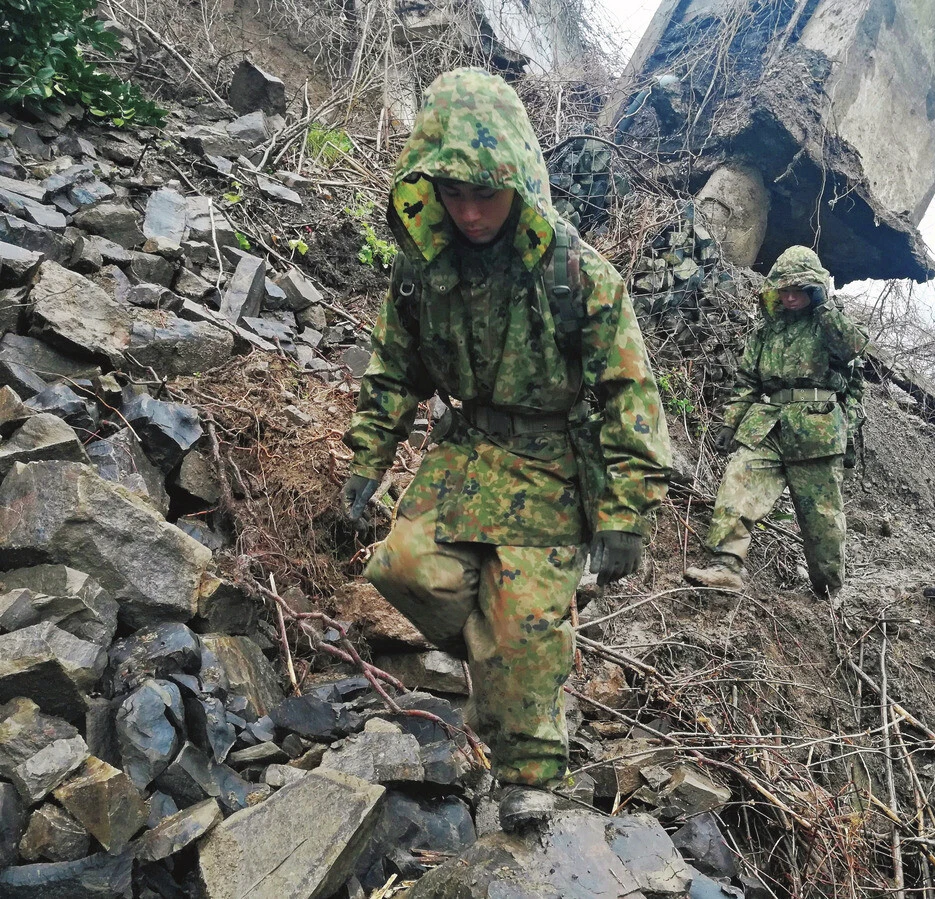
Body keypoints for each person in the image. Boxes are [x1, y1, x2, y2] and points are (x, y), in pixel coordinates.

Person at [340, 68, 671, 830]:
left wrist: (626, 513)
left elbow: (629, 393)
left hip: (553, 466)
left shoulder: (576, 273)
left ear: (520, 183)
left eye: (485, 195)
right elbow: (394, 368)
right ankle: (509, 665)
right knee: (402, 569)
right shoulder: (423, 267)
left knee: (520, 620)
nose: (469, 211)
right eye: (452, 194)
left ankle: (529, 772)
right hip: (465, 456)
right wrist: (368, 458)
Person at [683, 246, 868, 598]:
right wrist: (730, 422)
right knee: (738, 482)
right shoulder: (766, 333)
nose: (789, 296)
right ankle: (726, 565)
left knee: (821, 519)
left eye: (799, 289)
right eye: (783, 289)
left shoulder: (830, 325)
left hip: (817, 427)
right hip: (766, 424)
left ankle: (828, 589)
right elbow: (748, 381)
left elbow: (853, 349)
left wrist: (825, 306)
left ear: (814, 290)